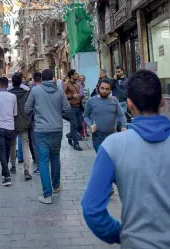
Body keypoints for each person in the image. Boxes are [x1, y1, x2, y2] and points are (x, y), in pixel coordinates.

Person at [82, 70, 170, 249]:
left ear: (129, 104)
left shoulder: (114, 146)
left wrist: (122, 233)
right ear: (162, 101)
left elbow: (92, 210)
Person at [25, 69, 71, 204]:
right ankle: (56, 186)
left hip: (41, 130)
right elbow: (67, 109)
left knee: (44, 161)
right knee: (55, 157)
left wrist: (36, 112)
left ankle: (47, 195)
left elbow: (27, 109)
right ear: (53, 78)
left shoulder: (35, 91)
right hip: (57, 129)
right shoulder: (59, 91)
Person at [84, 78, 127, 153]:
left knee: (112, 159)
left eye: (107, 89)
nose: (104, 91)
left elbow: (121, 115)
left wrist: (124, 126)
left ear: (110, 90)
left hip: (112, 136)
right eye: (102, 88)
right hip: (98, 137)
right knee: (102, 159)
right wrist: (91, 125)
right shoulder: (91, 100)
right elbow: (86, 116)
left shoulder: (114, 100)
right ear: (98, 88)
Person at [0, 76, 17, 186]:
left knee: (1, 151)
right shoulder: (13, 96)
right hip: (10, 127)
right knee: (6, 150)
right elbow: (15, 113)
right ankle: (4, 171)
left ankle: (7, 176)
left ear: (0, 85)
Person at [9, 74, 32, 180]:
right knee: (25, 146)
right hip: (24, 122)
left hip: (12, 123)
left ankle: (13, 166)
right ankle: (27, 170)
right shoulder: (27, 93)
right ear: (21, 82)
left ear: (12, 83)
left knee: (12, 145)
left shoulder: (9, 94)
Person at [65, 70, 83, 151]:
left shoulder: (77, 84)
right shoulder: (66, 84)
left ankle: (70, 135)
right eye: (76, 74)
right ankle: (76, 144)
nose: (77, 75)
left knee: (80, 125)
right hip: (71, 107)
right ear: (71, 76)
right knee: (74, 125)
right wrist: (72, 96)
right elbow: (63, 96)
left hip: (79, 107)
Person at [31, 72, 41, 175]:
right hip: (50, 123)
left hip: (36, 121)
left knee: (36, 144)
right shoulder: (54, 90)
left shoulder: (33, 90)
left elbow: (28, 107)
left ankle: (39, 165)